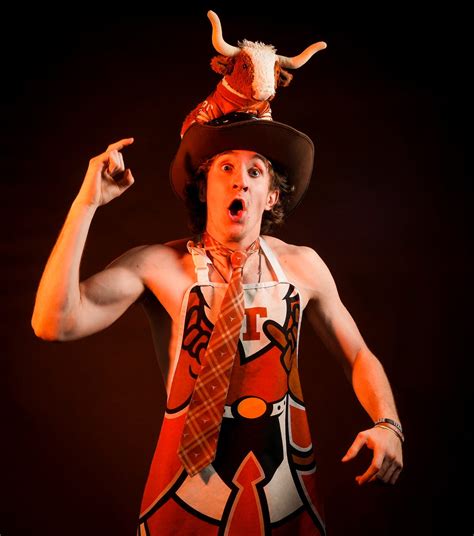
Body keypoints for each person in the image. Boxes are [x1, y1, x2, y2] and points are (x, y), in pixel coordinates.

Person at [31, 113, 403, 535]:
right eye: (226, 167)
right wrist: (86, 205)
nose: (240, 180)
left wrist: (388, 424)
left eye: (255, 170)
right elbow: (53, 321)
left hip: (285, 495)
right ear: (204, 189)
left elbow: (357, 354)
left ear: (271, 197)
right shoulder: (160, 267)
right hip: (183, 494)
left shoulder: (305, 268)